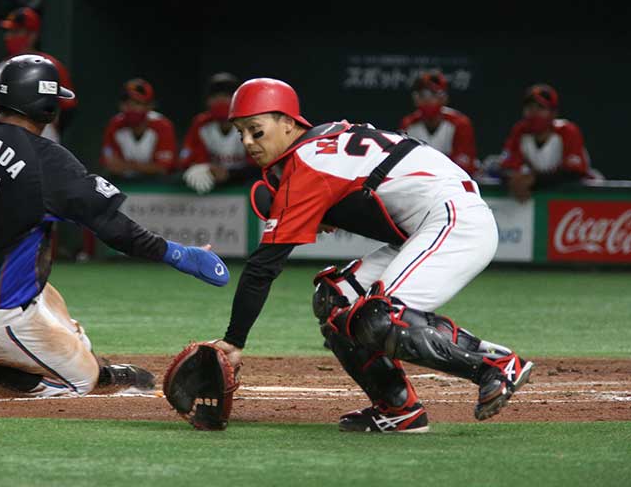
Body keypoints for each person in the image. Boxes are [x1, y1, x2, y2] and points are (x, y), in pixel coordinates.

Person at [0, 35, 229, 397]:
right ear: (47, 107)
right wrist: (178, 254)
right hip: (2, 317)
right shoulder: (49, 163)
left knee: (81, 345)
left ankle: (82, 365)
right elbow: (117, 230)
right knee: (79, 382)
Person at [210, 77, 534, 433]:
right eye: (240, 133)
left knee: (381, 317)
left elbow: (263, 266)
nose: (247, 142)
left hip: (455, 219)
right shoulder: (323, 143)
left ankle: (496, 366)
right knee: (335, 299)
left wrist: (234, 340)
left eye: (256, 130)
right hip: (427, 223)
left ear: (288, 122)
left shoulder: (308, 163)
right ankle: (398, 408)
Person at [0, 7, 76, 143]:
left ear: (33, 35)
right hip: (7, 144)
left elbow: (68, 108)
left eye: (15, 32)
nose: (8, 36)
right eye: (8, 32)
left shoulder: (50, 66)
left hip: (45, 141)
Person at [500, 84, 591, 201]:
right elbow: (505, 167)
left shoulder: (567, 131)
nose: (534, 113)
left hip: (580, 198)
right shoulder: (520, 131)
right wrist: (513, 181)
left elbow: (575, 173)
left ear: (553, 113)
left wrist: (534, 181)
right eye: (529, 107)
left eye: (540, 108)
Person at [179, 72, 257, 194]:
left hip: (245, 186)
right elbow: (188, 160)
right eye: (215, 97)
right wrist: (202, 167)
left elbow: (259, 165)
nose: (220, 101)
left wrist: (229, 174)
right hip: (211, 190)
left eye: (226, 96)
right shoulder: (201, 124)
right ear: (207, 101)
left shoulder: (250, 124)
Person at [399, 71, 477, 176]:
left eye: (432, 94)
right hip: (418, 181)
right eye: (422, 95)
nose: (427, 100)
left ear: (444, 98)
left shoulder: (460, 123)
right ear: (415, 99)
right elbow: (404, 163)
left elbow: (464, 169)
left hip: (451, 182)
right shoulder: (409, 124)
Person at [100, 78, 177, 179]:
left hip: (158, 184)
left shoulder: (162, 125)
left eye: (137, 103)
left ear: (150, 106)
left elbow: (163, 167)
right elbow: (111, 164)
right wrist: (143, 167)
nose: (130, 108)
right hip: (125, 183)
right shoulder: (115, 124)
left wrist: (128, 165)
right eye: (126, 103)